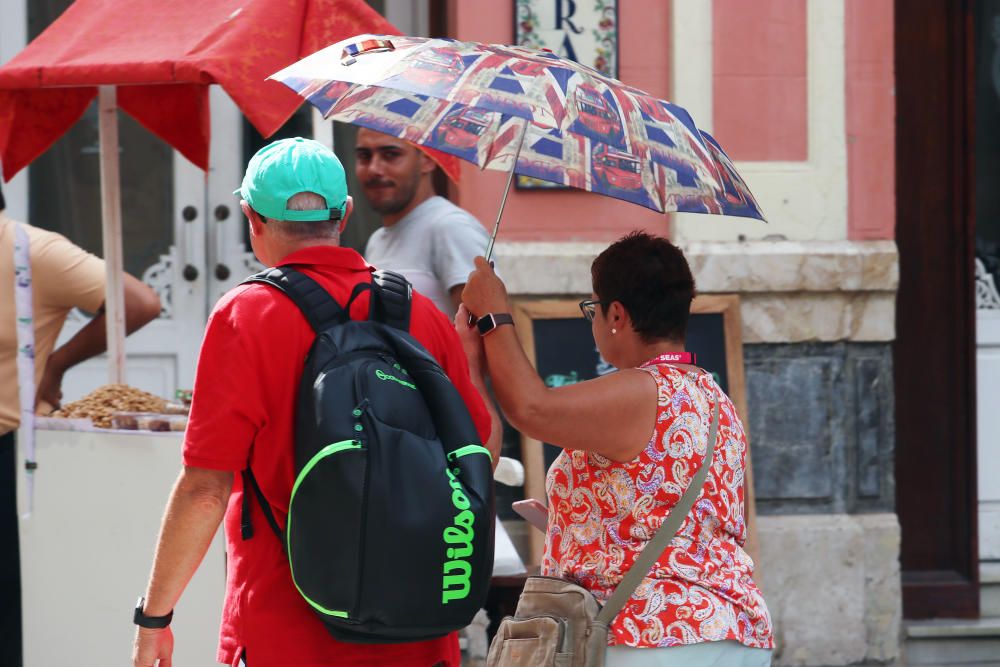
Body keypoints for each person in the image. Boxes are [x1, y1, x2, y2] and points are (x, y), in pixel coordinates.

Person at [132, 137, 499, 667]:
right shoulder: (421, 313)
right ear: (345, 214)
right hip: (416, 629)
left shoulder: (246, 315)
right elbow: (478, 446)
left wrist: (155, 620)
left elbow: (206, 490)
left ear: (251, 218)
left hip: (285, 630)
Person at [459, 231, 774, 666]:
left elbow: (532, 409)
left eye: (593, 308)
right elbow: (661, 514)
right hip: (730, 632)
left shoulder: (644, 391)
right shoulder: (712, 398)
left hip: (653, 634)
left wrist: (493, 317)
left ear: (617, 315)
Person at [0, 184, 161, 667]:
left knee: (15, 619)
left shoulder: (30, 251)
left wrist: (56, 365)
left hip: (9, 463)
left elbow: (139, 302)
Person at [356, 128, 489, 316]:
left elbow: (487, 336)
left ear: (427, 159)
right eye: (364, 156)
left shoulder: (451, 227)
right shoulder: (376, 240)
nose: (373, 169)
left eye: (391, 155)